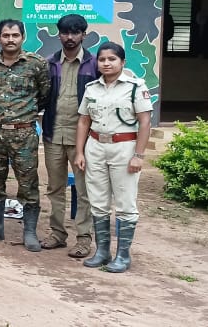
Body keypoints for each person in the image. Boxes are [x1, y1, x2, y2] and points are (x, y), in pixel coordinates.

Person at [74, 42, 152, 273]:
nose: (106, 63)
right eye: (102, 59)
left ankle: (123, 256)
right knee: (98, 201)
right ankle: (102, 251)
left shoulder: (136, 87)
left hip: (125, 147)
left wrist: (138, 155)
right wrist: (80, 151)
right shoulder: (92, 88)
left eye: (112, 59)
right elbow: (83, 121)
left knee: (125, 202)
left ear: (122, 62)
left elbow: (145, 122)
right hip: (96, 145)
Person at [0, 19, 51, 250]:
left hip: (24, 133)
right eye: (6, 35)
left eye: (15, 35)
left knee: (28, 183)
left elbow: (45, 95)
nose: (10, 39)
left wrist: (23, 114)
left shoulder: (37, 64)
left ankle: (29, 231)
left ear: (23, 37)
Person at [40, 14, 97, 257]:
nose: (70, 37)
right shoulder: (50, 63)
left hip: (83, 139)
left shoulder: (94, 64)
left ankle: (84, 238)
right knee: (55, 187)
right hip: (53, 133)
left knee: (84, 190)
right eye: (65, 32)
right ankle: (57, 233)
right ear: (59, 34)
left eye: (75, 32)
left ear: (84, 34)